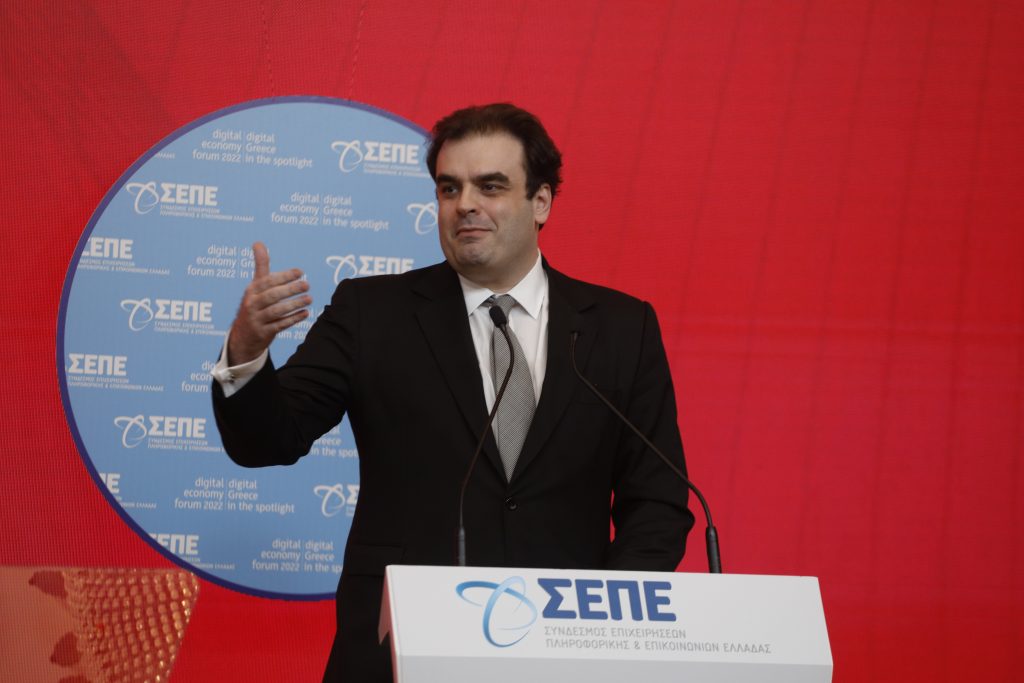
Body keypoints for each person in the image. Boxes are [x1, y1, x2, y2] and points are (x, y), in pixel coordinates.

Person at [211, 103, 694, 682]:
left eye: (490, 186)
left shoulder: (620, 327)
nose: (465, 204)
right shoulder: (372, 313)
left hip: (566, 655)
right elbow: (268, 440)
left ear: (541, 201)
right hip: (401, 651)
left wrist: (608, 626)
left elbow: (657, 503)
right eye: (449, 188)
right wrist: (246, 352)